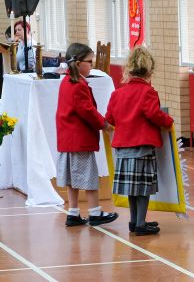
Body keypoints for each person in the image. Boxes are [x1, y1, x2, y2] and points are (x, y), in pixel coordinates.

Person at [105, 46, 174, 236]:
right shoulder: (148, 92)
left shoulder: (116, 94)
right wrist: (168, 121)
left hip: (123, 147)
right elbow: (153, 114)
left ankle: (134, 221)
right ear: (149, 70)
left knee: (131, 188)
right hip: (142, 145)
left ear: (128, 69)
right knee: (143, 188)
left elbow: (109, 118)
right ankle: (141, 224)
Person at [56, 42, 118, 227]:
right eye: (89, 61)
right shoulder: (77, 85)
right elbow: (87, 110)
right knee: (90, 177)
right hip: (79, 139)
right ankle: (95, 212)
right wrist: (105, 124)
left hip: (68, 139)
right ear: (78, 63)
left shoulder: (67, 81)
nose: (92, 65)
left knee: (72, 179)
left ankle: (73, 212)